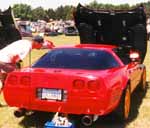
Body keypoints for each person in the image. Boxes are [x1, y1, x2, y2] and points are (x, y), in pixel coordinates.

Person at [0, 35, 44, 106]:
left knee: (4, 81)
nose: (41, 46)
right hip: (4, 61)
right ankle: (18, 99)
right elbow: (15, 57)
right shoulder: (27, 47)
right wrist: (15, 68)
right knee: (15, 79)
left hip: (1, 56)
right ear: (36, 42)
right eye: (41, 44)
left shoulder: (25, 42)